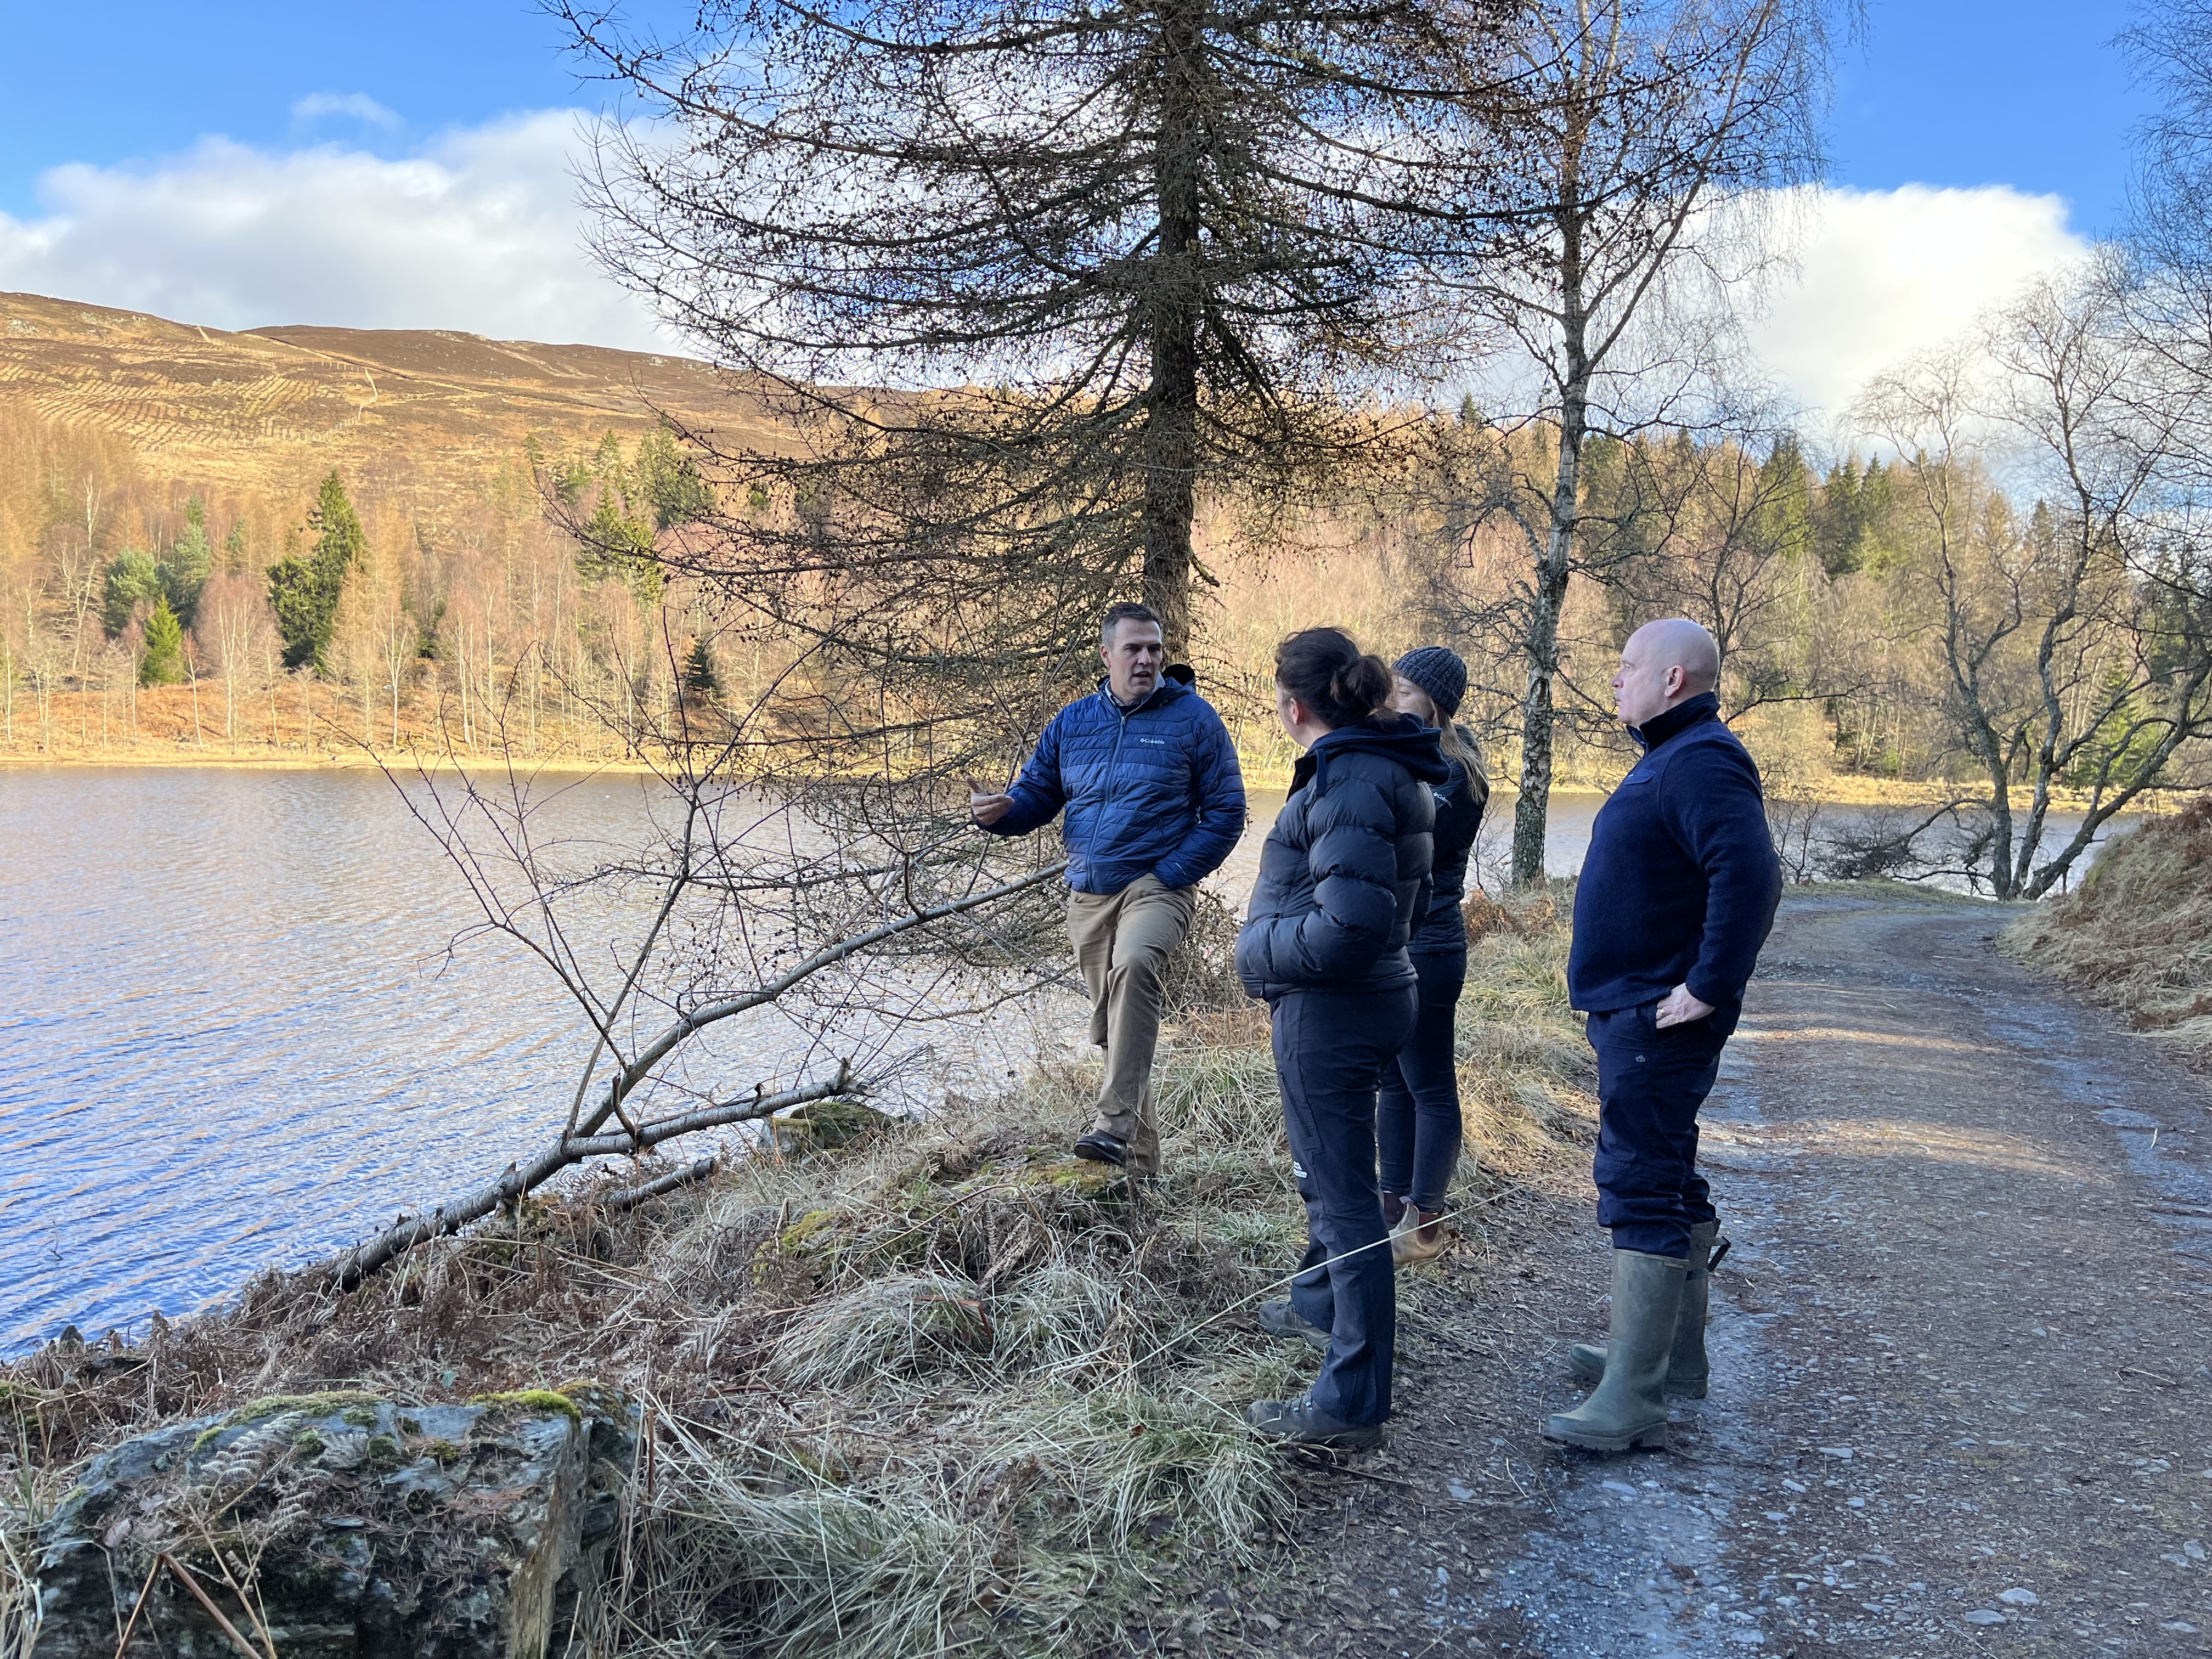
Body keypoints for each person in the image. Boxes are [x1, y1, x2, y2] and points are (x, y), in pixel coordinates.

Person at [1544, 616, 1782, 1454]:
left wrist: (1709, 987)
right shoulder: (1676, 755)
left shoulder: (1704, 759)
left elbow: (1751, 875)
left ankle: (1634, 1396)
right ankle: (1668, 1364)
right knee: (1667, 1173)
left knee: (1639, 1177)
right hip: (1636, 1005)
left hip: (1657, 1011)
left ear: (1673, 679)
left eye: (1627, 665)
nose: (1615, 679)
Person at [1237, 627, 1445, 1450]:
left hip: (1334, 1007)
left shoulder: (1353, 777)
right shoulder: (1384, 764)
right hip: (1375, 996)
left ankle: (1351, 1400)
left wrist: (1255, 953)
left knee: (1345, 1199)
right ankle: (1319, 1307)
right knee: (1331, 1182)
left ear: (1293, 706)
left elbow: (1351, 928)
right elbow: (1407, 907)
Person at [969, 602, 1246, 1176]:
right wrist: (996, 814)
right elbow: (1036, 798)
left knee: (1138, 965)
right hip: (1089, 894)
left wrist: (1171, 874)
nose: (1146, 660)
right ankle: (1138, 1168)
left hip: (1156, 887)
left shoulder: (1195, 722)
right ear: (1107, 655)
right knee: (1115, 1028)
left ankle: (1112, 1124)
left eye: (1155, 649)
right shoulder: (1073, 723)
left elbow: (1226, 813)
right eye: (1134, 649)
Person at [1378, 647, 1489, 1266]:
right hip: (1400, 941)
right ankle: (1391, 1209)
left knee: (1429, 1083)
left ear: (1435, 705)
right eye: (1390, 688)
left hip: (1431, 943)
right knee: (1394, 1082)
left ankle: (1425, 1223)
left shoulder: (1452, 776)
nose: (1391, 700)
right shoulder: (1416, 760)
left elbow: (1403, 845)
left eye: (1404, 691)